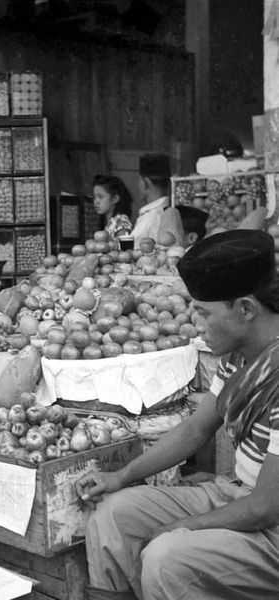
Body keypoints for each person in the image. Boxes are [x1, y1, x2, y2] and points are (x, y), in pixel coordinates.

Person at [77, 229, 279, 600]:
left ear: (246, 309)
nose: (195, 322)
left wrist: (185, 526)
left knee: (166, 558)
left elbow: (266, 508)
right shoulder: (239, 355)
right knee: (113, 515)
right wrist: (120, 476)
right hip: (236, 496)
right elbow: (195, 430)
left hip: (271, 525)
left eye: (203, 313)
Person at [131, 153, 183, 246]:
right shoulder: (175, 211)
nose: (137, 184)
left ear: (145, 183)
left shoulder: (149, 220)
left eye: (139, 181)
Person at [92, 174, 133, 239]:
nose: (96, 201)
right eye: (94, 197)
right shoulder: (110, 222)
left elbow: (124, 247)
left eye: (100, 197)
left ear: (115, 199)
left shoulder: (121, 223)